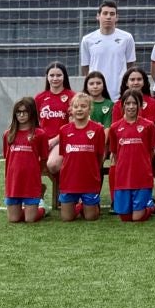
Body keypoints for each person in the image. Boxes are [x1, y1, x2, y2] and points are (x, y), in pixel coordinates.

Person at [52, 92, 105, 221]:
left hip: (89, 180)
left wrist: (93, 171)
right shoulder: (64, 130)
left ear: (90, 109)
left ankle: (87, 206)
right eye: (76, 107)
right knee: (67, 218)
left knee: (91, 217)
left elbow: (100, 156)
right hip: (69, 180)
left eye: (83, 106)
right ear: (71, 110)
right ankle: (79, 206)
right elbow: (65, 156)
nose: (79, 109)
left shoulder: (98, 129)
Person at [108, 91, 155, 222]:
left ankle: (149, 208)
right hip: (123, 177)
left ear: (140, 105)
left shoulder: (149, 126)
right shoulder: (114, 127)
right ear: (122, 105)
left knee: (137, 218)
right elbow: (115, 153)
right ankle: (145, 205)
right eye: (127, 103)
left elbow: (151, 151)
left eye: (134, 103)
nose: (131, 106)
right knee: (124, 218)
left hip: (142, 177)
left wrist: (143, 165)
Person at [2, 97, 48, 223]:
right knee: (14, 219)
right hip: (13, 181)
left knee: (30, 220)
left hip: (31, 181)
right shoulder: (8, 134)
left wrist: (36, 174)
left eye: (25, 112)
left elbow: (44, 158)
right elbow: (7, 158)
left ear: (32, 113)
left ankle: (42, 208)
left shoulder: (40, 134)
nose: (21, 115)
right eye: (18, 112)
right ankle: (26, 209)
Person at [80, 0, 135, 96]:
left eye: (112, 14)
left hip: (119, 93)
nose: (108, 17)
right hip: (96, 94)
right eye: (105, 13)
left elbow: (130, 65)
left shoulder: (127, 38)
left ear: (117, 17)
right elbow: (85, 67)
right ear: (98, 16)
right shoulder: (87, 40)